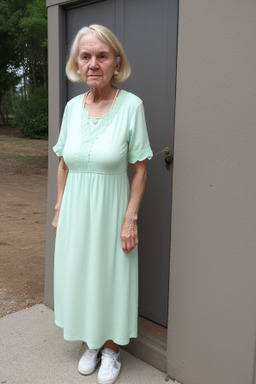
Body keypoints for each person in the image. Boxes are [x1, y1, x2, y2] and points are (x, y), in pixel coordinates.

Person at [52, 24, 152, 384]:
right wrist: (60, 208)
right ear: (77, 64)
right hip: (76, 209)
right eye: (85, 56)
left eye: (102, 56)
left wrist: (130, 219)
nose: (93, 63)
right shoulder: (71, 108)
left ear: (116, 62)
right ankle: (91, 342)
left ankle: (111, 349)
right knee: (82, 274)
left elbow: (140, 168)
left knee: (110, 277)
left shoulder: (131, 107)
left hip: (112, 211)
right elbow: (63, 161)